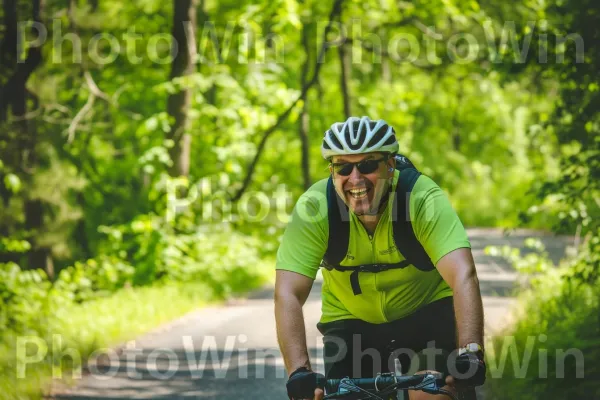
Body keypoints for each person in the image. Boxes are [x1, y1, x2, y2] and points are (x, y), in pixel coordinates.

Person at [275, 116, 486, 400]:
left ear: (390, 165)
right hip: (352, 321)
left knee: (429, 394)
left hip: (426, 312)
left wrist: (470, 351)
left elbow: (463, 274)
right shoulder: (315, 208)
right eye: (344, 167)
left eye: (367, 165)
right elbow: (288, 291)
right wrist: (298, 371)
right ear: (332, 171)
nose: (355, 178)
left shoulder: (420, 197)